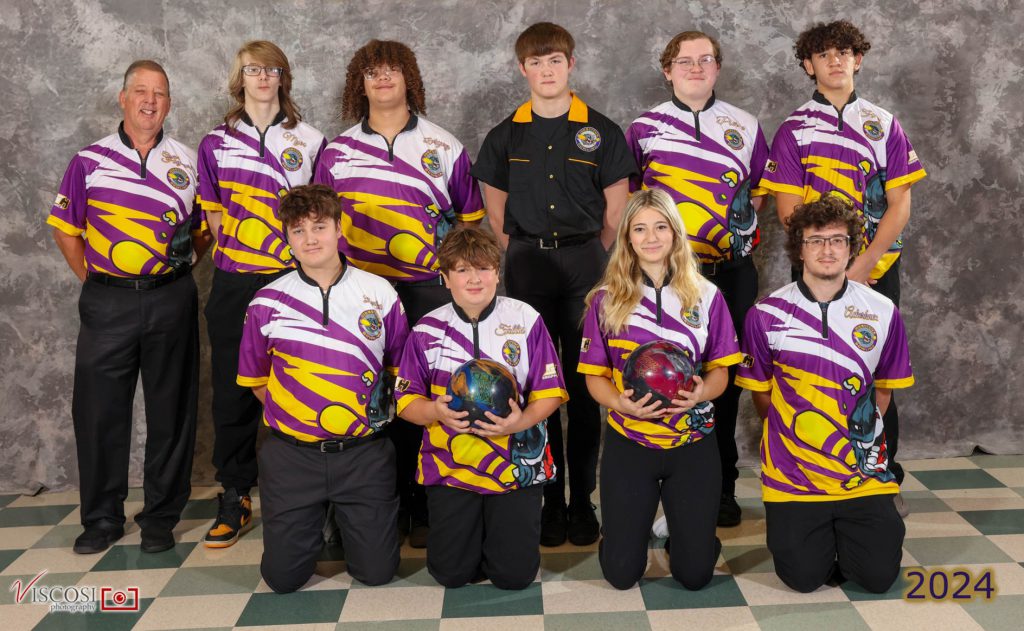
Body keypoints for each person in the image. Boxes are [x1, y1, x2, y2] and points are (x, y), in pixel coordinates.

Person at [472, 21, 638, 546]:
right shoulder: (506, 134)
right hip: (526, 265)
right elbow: (494, 210)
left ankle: (580, 500)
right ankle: (546, 496)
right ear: (523, 69)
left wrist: (594, 254)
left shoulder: (601, 130)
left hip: (586, 264)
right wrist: (520, 251)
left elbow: (617, 206)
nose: (547, 71)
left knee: (586, 384)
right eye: (536, 63)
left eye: (555, 61)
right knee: (533, 383)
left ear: (571, 64)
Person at [315, 39, 484, 547]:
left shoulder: (444, 145)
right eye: (372, 71)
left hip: (428, 292)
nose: (383, 78)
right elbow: (322, 231)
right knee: (369, 392)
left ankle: (427, 502)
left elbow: (470, 227)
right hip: (360, 298)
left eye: (393, 69)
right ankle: (376, 506)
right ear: (358, 84)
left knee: (427, 393)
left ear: (410, 77)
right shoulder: (337, 152)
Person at [758, 20, 926, 514]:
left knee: (874, 372)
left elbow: (900, 203)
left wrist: (866, 263)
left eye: (845, 52)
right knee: (816, 370)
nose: (836, 60)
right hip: (814, 271)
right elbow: (788, 210)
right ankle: (815, 471)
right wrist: (829, 264)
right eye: (824, 53)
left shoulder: (883, 122)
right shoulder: (794, 128)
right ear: (808, 65)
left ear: (859, 59)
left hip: (875, 270)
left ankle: (880, 475)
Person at [48, 60, 209, 555]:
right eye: (140, 91)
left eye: (160, 93)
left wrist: (168, 274)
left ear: (169, 103)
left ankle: (161, 517)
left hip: (171, 297)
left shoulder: (189, 161)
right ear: (122, 99)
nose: (150, 101)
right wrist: (100, 282)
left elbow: (202, 232)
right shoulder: (89, 160)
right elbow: (65, 229)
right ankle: (101, 519)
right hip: (107, 301)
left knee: (173, 411)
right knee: (99, 413)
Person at [626, 30, 769, 527]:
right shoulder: (644, 128)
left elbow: (755, 197)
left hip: (729, 274)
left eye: (705, 59)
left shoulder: (745, 125)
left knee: (721, 382)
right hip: (663, 277)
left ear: (717, 68)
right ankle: (663, 489)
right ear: (667, 70)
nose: (695, 67)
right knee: (663, 369)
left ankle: (720, 487)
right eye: (684, 61)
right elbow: (633, 204)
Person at [736, 196, 913, 593]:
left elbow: (883, 391)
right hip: (793, 474)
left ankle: (850, 529)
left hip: (862, 474)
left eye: (838, 239)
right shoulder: (765, 314)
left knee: (878, 577)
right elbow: (762, 396)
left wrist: (858, 441)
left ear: (852, 246)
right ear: (798, 248)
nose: (828, 249)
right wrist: (795, 438)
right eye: (816, 241)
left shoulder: (883, 310)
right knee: (802, 579)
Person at [236, 184, 408, 592]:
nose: (310, 238)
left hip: (363, 454)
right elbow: (258, 381)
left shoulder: (379, 292)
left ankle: (346, 523)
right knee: (282, 579)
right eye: (298, 231)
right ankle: (313, 523)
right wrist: (302, 421)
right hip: (292, 458)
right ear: (287, 239)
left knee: (377, 573)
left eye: (319, 226)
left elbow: (400, 369)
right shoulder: (267, 301)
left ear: (338, 228)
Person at [577, 188, 741, 589]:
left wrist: (701, 394)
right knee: (620, 574)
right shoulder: (605, 299)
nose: (651, 238)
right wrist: (619, 402)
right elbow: (593, 376)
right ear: (627, 238)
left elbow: (722, 372)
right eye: (640, 229)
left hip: (692, 441)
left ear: (675, 233)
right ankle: (624, 535)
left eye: (660, 227)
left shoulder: (706, 295)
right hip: (630, 441)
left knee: (695, 575)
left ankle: (690, 536)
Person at [197, 40, 326, 548]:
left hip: (291, 280)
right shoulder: (214, 142)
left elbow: (319, 218)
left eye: (272, 69)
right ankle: (235, 493)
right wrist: (238, 258)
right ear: (240, 77)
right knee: (234, 392)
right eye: (254, 69)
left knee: (303, 382)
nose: (264, 77)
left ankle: (313, 493)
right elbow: (211, 216)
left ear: (283, 77)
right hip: (234, 281)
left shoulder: (312, 140)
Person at [396, 226, 567, 589]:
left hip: (515, 462)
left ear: (498, 273)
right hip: (451, 465)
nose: (474, 279)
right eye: (461, 270)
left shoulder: (525, 319)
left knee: (514, 576)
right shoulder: (427, 329)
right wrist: (436, 413)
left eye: (484, 268)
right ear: (445, 277)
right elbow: (406, 401)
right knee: (451, 574)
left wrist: (518, 423)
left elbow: (552, 392)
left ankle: (501, 538)